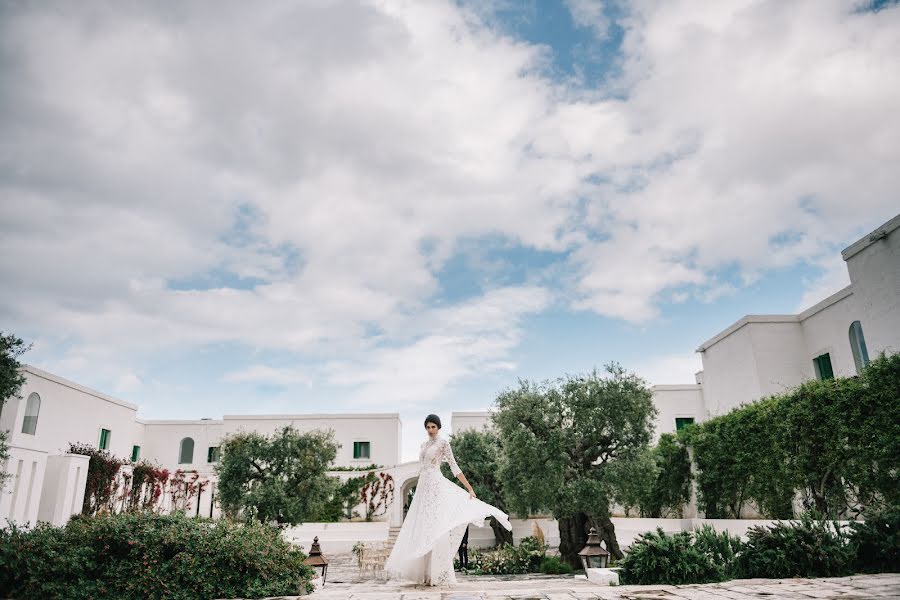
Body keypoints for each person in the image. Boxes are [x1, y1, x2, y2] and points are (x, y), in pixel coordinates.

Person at [384, 414, 511, 586]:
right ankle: (425, 573)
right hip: (423, 487)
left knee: (436, 526)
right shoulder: (423, 445)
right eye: (427, 427)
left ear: (438, 427)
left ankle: (437, 573)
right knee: (423, 526)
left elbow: (454, 466)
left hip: (436, 484)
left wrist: (469, 488)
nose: (430, 430)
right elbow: (422, 467)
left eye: (433, 427)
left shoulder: (443, 444)